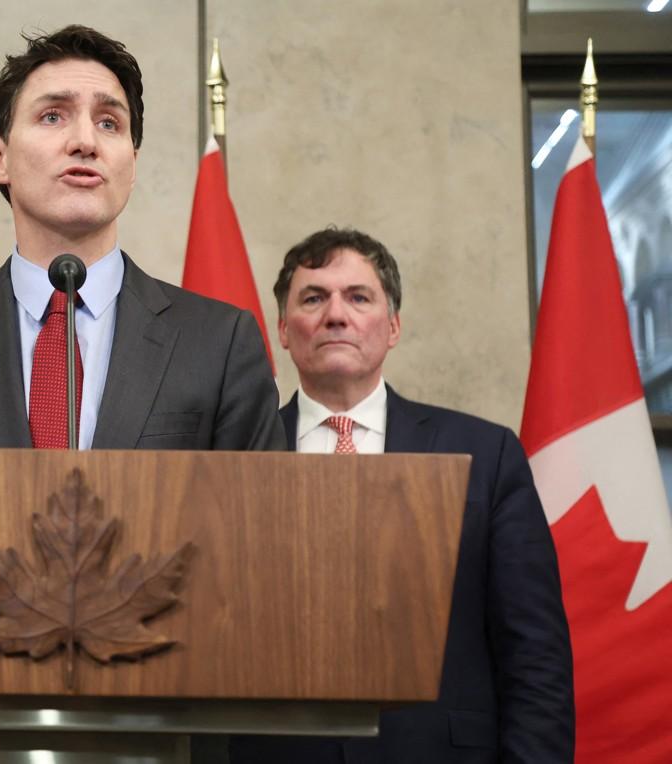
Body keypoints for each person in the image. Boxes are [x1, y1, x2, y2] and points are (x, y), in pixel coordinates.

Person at [0, 25, 284, 764]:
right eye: (53, 116)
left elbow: (266, 555)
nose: (85, 140)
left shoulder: (220, 341)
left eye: (109, 123)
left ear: (132, 164)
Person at [229, 227, 574, 763]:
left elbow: (534, 654)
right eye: (314, 298)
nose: (336, 315)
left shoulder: (485, 454)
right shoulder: (236, 459)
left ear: (392, 327)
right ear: (282, 329)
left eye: (358, 297)